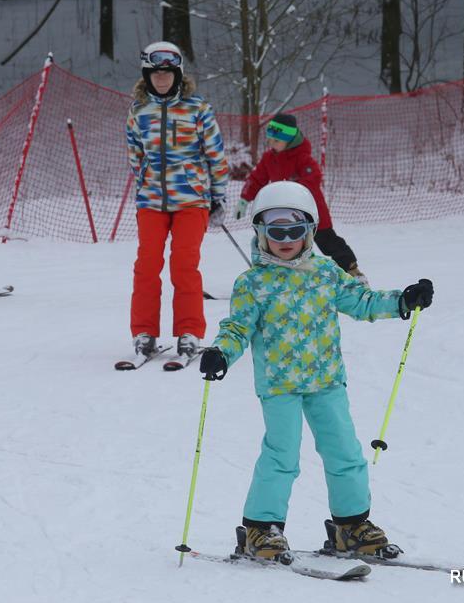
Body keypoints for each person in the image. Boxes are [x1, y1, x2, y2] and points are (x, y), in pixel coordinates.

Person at [198, 180, 434, 562]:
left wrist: (403, 301)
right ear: (260, 232)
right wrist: (220, 353)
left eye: (295, 231)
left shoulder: (326, 272)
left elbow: (362, 301)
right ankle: (261, 530)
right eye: (276, 232)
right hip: (280, 385)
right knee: (282, 456)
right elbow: (238, 328)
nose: (286, 240)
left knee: (345, 452)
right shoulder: (252, 283)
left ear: (309, 231)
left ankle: (351, 526)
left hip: (327, 380)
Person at [124, 41, 229, 360]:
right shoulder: (138, 111)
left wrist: (217, 196)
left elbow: (215, 154)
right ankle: (144, 333)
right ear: (147, 75)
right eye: (156, 73)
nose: (162, 78)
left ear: (177, 74)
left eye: (167, 73)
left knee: (184, 266)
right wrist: (145, 182)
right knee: (146, 266)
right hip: (151, 202)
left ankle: (189, 332)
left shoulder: (198, 109)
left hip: (191, 201)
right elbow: (135, 154)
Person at [235, 113, 367, 284]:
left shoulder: (302, 158)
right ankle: (272, 275)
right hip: (283, 213)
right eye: (270, 140)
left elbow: (314, 178)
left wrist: (291, 190)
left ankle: (351, 270)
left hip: (312, 212)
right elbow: (256, 178)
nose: (272, 144)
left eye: (276, 140)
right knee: (273, 240)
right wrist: (244, 199)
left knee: (327, 242)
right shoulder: (269, 158)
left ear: (289, 140)